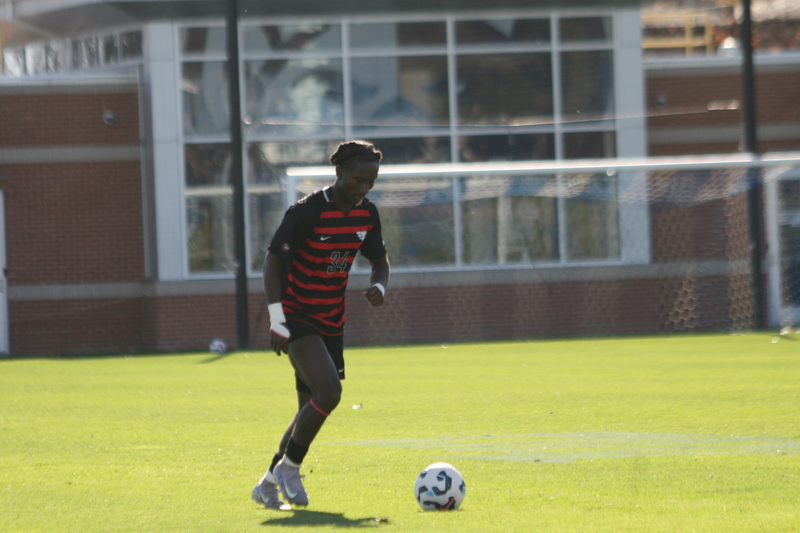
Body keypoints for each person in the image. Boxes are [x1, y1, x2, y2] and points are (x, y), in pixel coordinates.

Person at [251, 140, 390, 509]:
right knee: (329, 394)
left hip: (332, 322)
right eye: (358, 179)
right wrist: (277, 320)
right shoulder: (307, 211)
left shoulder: (367, 214)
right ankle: (290, 468)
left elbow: (380, 260)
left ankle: (267, 484)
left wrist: (379, 284)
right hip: (297, 316)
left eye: (371, 181)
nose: (364, 187)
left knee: (306, 411)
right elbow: (272, 264)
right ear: (339, 173)